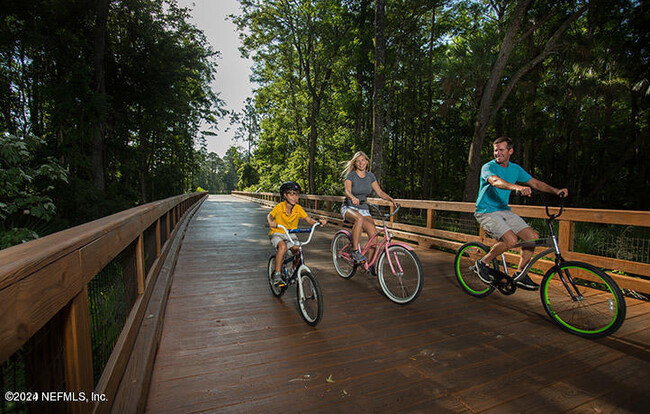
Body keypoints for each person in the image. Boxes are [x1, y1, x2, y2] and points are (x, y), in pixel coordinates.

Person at [472, 137, 568, 290]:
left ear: (510, 151)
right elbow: (495, 181)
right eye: (496, 150)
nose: (498, 153)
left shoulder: (515, 169)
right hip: (486, 211)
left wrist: (556, 191)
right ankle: (483, 262)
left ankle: (520, 274)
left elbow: (535, 183)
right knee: (511, 240)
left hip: (504, 210)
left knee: (532, 237)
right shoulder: (488, 167)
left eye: (501, 150)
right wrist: (516, 187)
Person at [341, 151, 397, 267]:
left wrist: (391, 199)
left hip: (363, 208)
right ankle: (356, 251)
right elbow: (347, 191)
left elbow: (380, 192)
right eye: (358, 161)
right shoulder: (351, 176)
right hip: (349, 207)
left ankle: (370, 265)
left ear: (367, 161)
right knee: (359, 219)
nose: (361, 163)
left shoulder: (370, 176)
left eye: (363, 160)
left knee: (374, 238)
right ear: (355, 163)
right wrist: (352, 197)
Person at [267, 181, 327, 287]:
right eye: (291, 194)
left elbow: (308, 219)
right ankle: (277, 274)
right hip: (277, 232)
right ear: (284, 195)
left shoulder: (298, 209)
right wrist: (271, 222)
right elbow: (270, 216)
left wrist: (318, 222)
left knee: (297, 251)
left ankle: (293, 272)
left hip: (291, 234)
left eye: (296, 194)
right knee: (282, 247)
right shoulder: (279, 207)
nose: (294, 197)